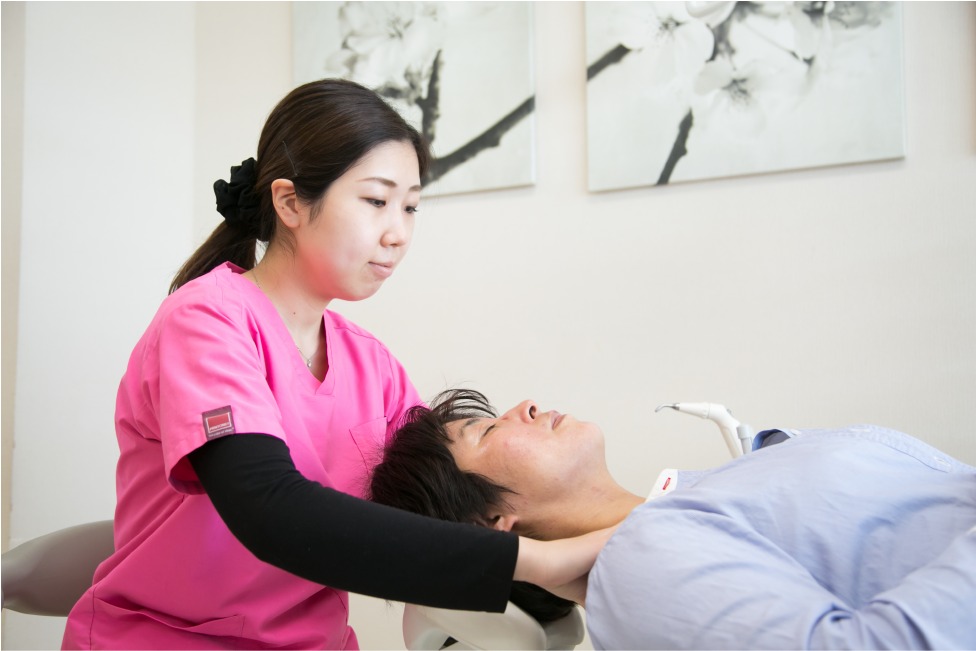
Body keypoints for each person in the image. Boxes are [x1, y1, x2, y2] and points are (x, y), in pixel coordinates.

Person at [62, 80, 611, 651]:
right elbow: (267, 509)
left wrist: (613, 549)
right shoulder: (206, 321)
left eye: (411, 207)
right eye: (376, 201)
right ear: (290, 203)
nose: (398, 234)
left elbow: (447, 515)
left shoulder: (374, 368)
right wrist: (540, 561)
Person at [368, 389, 976, 650]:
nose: (525, 405)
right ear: (491, 522)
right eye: (487, 429)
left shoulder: (680, 515)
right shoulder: (638, 569)